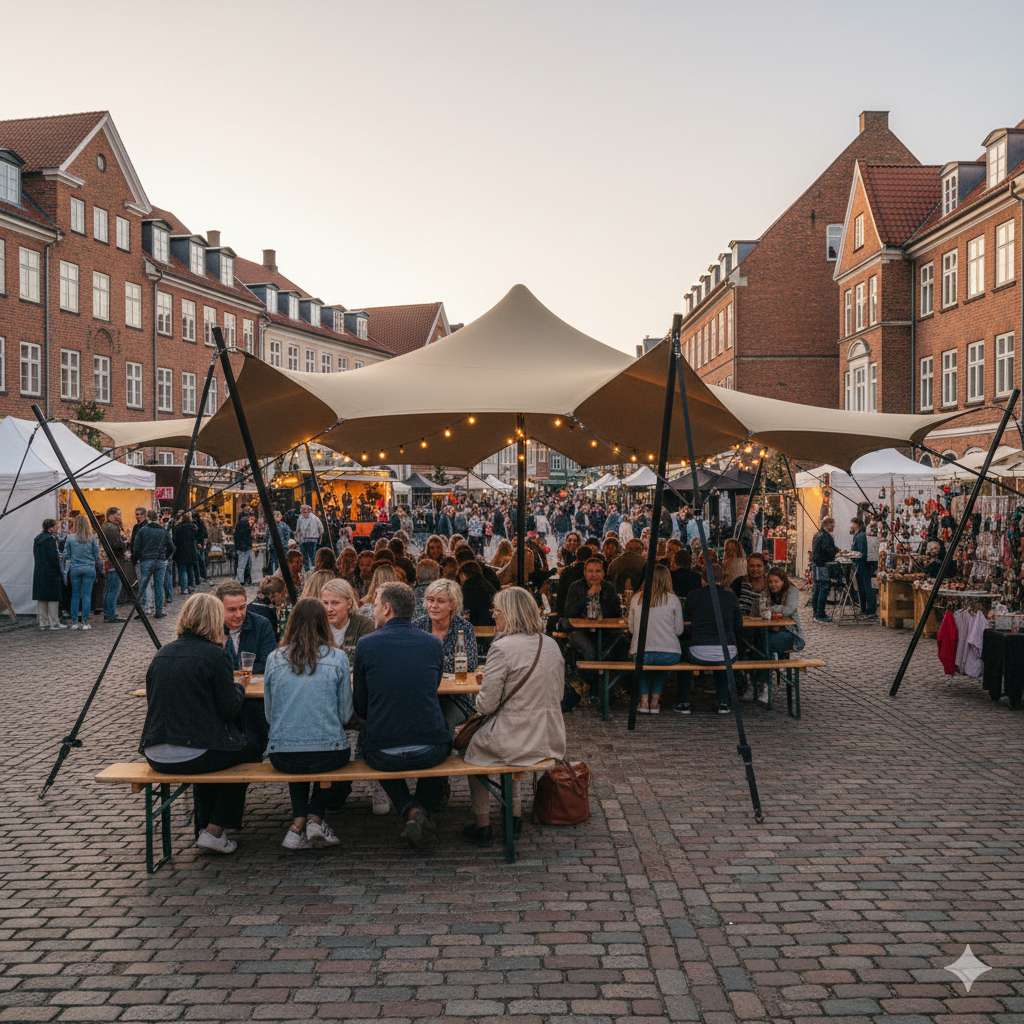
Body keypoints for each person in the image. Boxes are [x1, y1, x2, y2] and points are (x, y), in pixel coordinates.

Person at [139, 593, 263, 854]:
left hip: (154, 752)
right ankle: (215, 829)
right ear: (216, 620)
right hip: (192, 751)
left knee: (218, 755)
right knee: (250, 751)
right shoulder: (215, 655)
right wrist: (239, 686)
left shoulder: (162, 654)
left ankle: (205, 827)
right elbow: (229, 708)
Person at [462, 587, 566, 846]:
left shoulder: (502, 647)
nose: (494, 617)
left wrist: (483, 689)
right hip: (546, 739)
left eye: (496, 611)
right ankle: (515, 816)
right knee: (510, 745)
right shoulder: (551, 644)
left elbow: (486, 706)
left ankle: (483, 825)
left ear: (509, 613)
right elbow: (558, 694)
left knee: (471, 752)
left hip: (513, 740)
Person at [353, 582, 452, 847]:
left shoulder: (366, 644)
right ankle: (419, 811)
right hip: (430, 748)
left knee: (374, 748)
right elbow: (433, 687)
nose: (374, 612)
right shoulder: (432, 643)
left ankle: (412, 810)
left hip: (382, 752)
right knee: (441, 743)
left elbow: (360, 706)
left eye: (375, 606)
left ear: (386, 608)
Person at [263, 598, 353, 850]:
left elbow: (270, 715)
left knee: (297, 756)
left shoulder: (274, 658)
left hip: (282, 754)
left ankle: (297, 825)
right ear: (324, 624)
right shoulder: (338, 658)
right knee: (324, 756)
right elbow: (345, 715)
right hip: (329, 752)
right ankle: (314, 817)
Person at [674, 564, 743, 715]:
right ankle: (723, 702)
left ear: (703, 579)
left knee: (679, 654)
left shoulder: (693, 595)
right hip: (728, 653)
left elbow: (685, 621)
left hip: (698, 652)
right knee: (721, 653)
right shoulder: (731, 597)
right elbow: (739, 626)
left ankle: (684, 702)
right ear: (722, 578)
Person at [627, 564, 683, 714]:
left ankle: (644, 701)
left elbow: (631, 629)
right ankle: (655, 701)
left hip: (640, 653)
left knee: (643, 664)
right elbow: (679, 630)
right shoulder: (673, 600)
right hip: (670, 654)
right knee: (660, 665)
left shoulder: (636, 598)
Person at [216, 581, 276, 674]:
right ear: (219, 608)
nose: (239, 615)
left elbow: (269, 663)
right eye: (232, 610)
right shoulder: (210, 628)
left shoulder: (262, 625)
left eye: (242, 607)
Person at [132, 510, 174, 619]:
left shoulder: (142, 531)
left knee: (144, 585)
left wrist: (137, 558)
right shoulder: (163, 531)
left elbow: (136, 548)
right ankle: (158, 611)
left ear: (148, 518)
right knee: (158, 586)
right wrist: (164, 556)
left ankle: (143, 610)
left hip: (146, 560)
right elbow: (171, 547)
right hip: (160, 561)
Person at [63, 513, 99, 630]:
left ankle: (74, 621)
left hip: (75, 568)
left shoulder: (70, 538)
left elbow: (66, 554)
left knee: (75, 595)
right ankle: (85, 621)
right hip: (89, 567)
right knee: (87, 595)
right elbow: (96, 554)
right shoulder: (92, 538)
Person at [321, 578, 375, 648]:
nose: (329, 609)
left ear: (349, 604)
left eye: (335, 603)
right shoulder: (316, 627)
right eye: (325, 603)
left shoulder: (364, 626)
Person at [33, 518, 65, 629]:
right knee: (53, 597)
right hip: (51, 571)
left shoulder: (37, 539)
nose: (57, 528)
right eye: (56, 526)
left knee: (42, 598)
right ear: (51, 528)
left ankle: (43, 622)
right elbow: (53, 557)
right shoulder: (50, 540)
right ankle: (54, 622)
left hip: (39, 571)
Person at [100, 507, 127, 623]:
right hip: (115, 561)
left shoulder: (105, 527)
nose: (120, 517)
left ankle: (109, 613)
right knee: (114, 588)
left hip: (110, 561)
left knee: (110, 588)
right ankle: (110, 614)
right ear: (111, 515)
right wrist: (125, 543)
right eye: (118, 515)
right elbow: (116, 545)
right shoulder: (111, 527)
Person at [811, 516, 839, 623]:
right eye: (833, 525)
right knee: (824, 588)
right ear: (828, 525)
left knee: (817, 589)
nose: (834, 527)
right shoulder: (825, 536)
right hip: (823, 565)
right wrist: (836, 552)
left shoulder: (817, 534)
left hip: (816, 565)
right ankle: (820, 614)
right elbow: (828, 549)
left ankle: (816, 613)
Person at [248, 575, 288, 641]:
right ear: (276, 595)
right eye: (283, 595)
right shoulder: (269, 612)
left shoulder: (249, 606)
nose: (283, 599)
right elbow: (274, 638)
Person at [458, 561, 496, 627]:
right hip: (490, 624)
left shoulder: (467, 586)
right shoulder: (488, 585)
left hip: (474, 624)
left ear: (463, 574)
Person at [731, 550, 769, 616]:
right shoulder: (739, 582)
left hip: (765, 624)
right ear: (747, 567)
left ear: (764, 567)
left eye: (759, 566)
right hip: (742, 624)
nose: (755, 569)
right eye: (751, 566)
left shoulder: (771, 584)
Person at [850, 517, 875, 614]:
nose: (851, 526)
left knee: (865, 586)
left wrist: (854, 556)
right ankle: (864, 607)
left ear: (857, 525)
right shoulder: (857, 535)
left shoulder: (860, 536)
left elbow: (862, 551)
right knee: (862, 587)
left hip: (862, 565)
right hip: (861, 564)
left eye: (853, 524)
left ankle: (868, 608)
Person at [173, 512, 200, 595]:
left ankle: (184, 588)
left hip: (181, 551)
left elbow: (175, 540)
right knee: (190, 568)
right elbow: (197, 537)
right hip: (191, 551)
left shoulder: (178, 528)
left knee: (182, 570)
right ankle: (192, 585)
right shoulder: (194, 527)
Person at [295, 504, 324, 571]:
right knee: (305, 557)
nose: (303, 513)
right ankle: (308, 570)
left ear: (309, 511)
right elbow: (298, 529)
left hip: (312, 540)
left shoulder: (315, 518)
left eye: (305, 511)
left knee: (312, 556)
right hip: (304, 540)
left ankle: (314, 570)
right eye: (302, 511)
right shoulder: (300, 518)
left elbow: (321, 529)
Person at [266, 511, 292, 575]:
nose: (277, 518)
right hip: (273, 546)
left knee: (280, 561)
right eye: (276, 517)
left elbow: (288, 534)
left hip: (282, 546)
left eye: (278, 517)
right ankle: (275, 574)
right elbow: (267, 536)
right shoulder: (270, 525)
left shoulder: (283, 525)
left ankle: (282, 574)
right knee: (273, 561)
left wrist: (286, 544)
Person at [233, 510, 254, 585]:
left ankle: (241, 579)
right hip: (245, 547)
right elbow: (247, 535)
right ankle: (240, 580)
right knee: (244, 565)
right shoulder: (245, 523)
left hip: (241, 547)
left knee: (242, 565)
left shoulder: (240, 523)